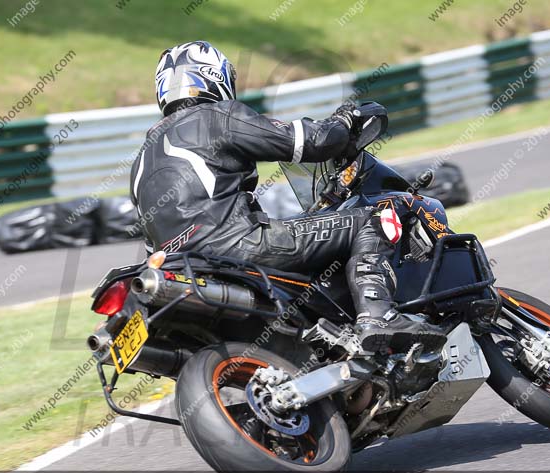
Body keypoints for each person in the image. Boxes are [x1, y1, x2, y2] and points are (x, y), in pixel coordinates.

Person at [130, 41, 445, 353]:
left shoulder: (141, 161)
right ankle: (378, 316)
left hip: (183, 270)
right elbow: (311, 141)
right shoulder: (216, 117)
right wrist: (345, 120)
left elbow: (150, 245)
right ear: (216, 78)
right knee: (374, 218)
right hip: (241, 244)